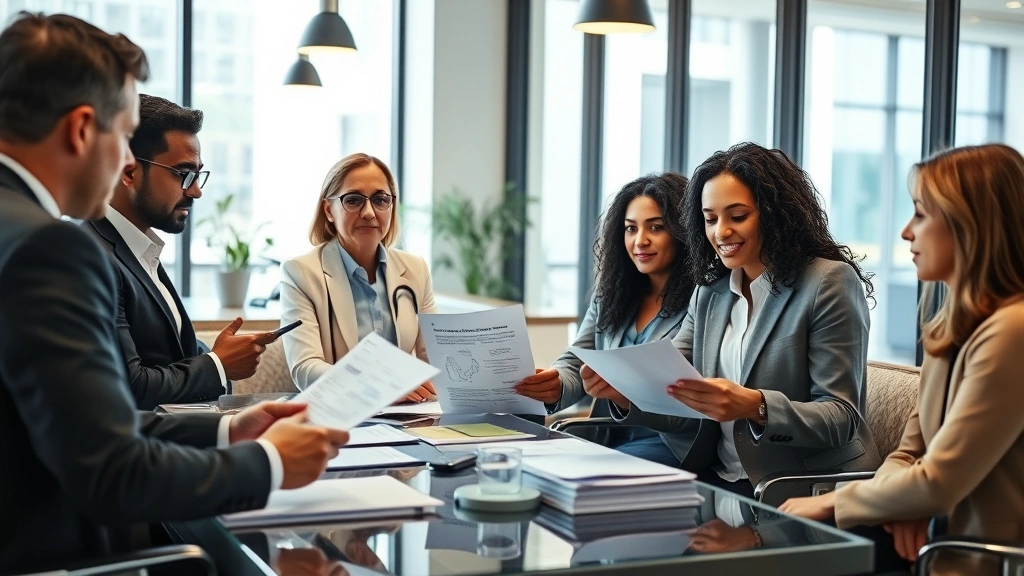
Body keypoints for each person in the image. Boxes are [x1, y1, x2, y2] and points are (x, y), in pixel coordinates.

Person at [0, 13, 347, 573]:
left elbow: (78, 423)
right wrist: (269, 464)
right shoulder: (52, 250)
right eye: (121, 137)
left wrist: (230, 426)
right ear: (82, 130)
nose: (122, 167)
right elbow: (112, 473)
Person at [780, 144, 1024, 575]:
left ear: (972, 225)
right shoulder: (953, 327)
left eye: (921, 214)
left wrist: (837, 502)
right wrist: (902, 504)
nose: (906, 232)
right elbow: (911, 453)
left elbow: (940, 482)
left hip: (985, 560)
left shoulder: (1012, 331)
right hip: (933, 546)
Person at [594, 142, 880, 499]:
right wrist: (629, 395)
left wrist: (755, 406)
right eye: (710, 219)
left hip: (801, 487)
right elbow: (681, 404)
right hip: (721, 482)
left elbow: (841, 418)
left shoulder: (827, 282)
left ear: (775, 214)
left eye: (738, 216)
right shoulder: (709, 292)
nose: (721, 232)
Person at [81, 94, 274, 410]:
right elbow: (130, 387)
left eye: (198, 174)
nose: (196, 190)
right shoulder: (91, 256)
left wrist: (215, 356)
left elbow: (167, 353)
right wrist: (217, 364)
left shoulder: (141, 250)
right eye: (183, 173)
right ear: (129, 172)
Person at [515, 173, 694, 465]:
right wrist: (555, 383)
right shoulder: (612, 295)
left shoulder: (701, 302)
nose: (640, 241)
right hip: (609, 437)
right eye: (630, 229)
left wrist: (625, 392)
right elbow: (576, 360)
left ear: (682, 232)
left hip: (669, 444)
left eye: (656, 228)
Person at [280, 153, 438, 401]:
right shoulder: (300, 273)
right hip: (340, 414)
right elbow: (305, 369)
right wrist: (383, 387)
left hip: (408, 417)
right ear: (329, 210)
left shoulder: (415, 269)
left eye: (380, 199)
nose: (369, 212)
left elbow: (436, 359)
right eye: (353, 200)